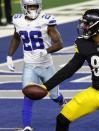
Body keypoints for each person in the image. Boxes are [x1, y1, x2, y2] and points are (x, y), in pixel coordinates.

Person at [6, 0, 65, 131]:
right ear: (24, 7)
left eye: (35, 6)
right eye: (30, 6)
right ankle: (27, 126)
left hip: (46, 65)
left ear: (39, 7)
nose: (32, 9)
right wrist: (9, 56)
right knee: (28, 94)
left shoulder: (46, 20)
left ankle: (62, 101)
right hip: (29, 65)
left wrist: (46, 51)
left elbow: (60, 43)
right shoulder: (18, 20)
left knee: (54, 96)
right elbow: (16, 37)